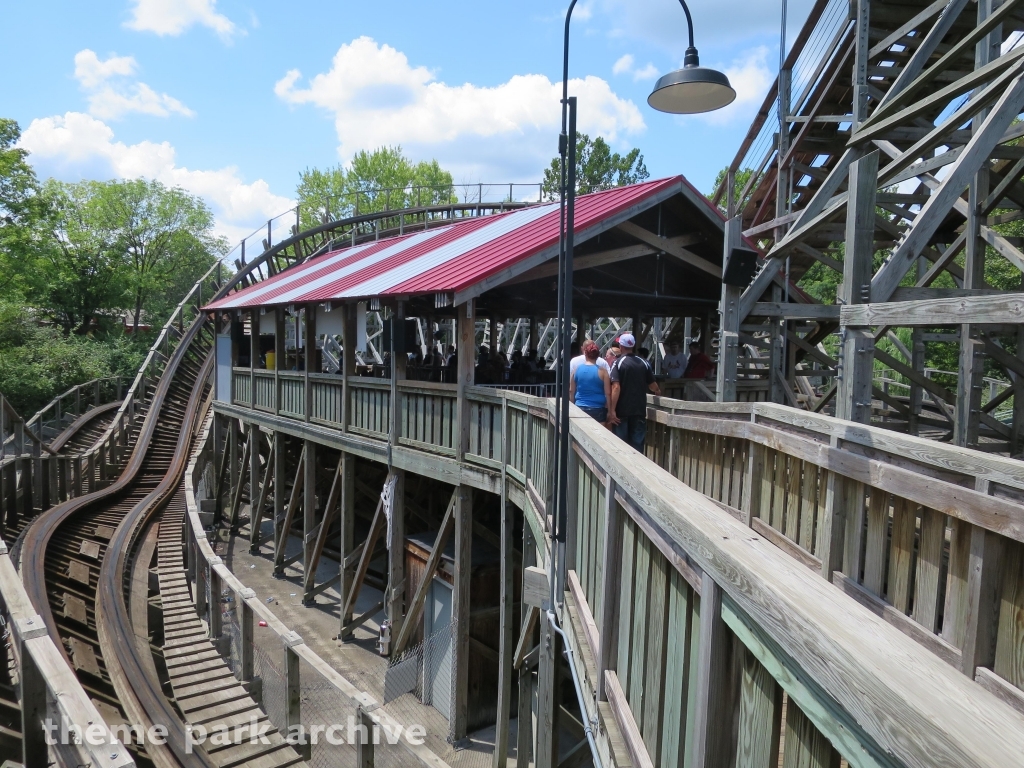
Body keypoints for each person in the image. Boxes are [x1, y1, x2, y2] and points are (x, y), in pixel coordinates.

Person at [608, 332, 661, 452]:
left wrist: (612, 410)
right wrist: (657, 391)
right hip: (639, 411)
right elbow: (652, 385)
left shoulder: (618, 363)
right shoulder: (644, 363)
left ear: (621, 346)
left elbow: (616, 387)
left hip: (622, 412)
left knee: (620, 446)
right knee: (637, 446)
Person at [570, 340, 610, 423]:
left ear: (585, 353)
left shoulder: (576, 370)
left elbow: (571, 390)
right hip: (598, 408)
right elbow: (608, 393)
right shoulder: (603, 371)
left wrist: (572, 407)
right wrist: (610, 410)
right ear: (597, 355)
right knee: (599, 434)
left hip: (580, 406)